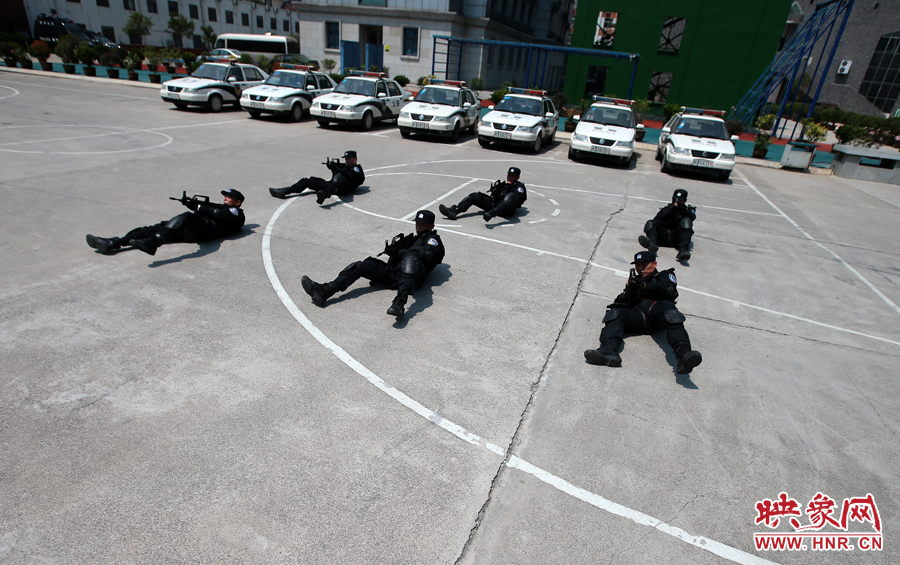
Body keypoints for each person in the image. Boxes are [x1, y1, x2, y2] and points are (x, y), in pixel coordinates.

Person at [300, 210, 445, 318]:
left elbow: (428, 254)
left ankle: (399, 303)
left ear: (431, 226)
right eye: (417, 224)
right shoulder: (413, 239)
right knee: (362, 265)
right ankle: (325, 291)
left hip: (411, 279)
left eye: (422, 225)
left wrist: (403, 252)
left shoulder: (432, 239)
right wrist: (394, 251)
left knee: (410, 260)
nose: (418, 227)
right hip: (393, 273)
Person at [583, 251, 702, 374]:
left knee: (672, 314)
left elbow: (668, 289)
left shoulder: (665, 275)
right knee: (615, 313)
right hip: (640, 317)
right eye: (638, 265)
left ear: (654, 264)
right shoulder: (635, 281)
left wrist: (644, 285)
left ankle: (683, 355)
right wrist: (628, 291)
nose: (641, 268)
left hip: (659, 314)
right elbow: (618, 303)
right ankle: (608, 350)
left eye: (644, 264)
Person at [85, 189, 246, 256]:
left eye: (229, 197)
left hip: (206, 231)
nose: (226, 198)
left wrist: (198, 207)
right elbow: (211, 210)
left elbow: (217, 214)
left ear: (238, 202)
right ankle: (114, 243)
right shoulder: (221, 207)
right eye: (225, 196)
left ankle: (153, 242)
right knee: (155, 228)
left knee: (186, 217)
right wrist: (192, 204)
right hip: (193, 231)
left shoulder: (237, 213)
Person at [268, 150, 365, 204]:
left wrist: (337, 169)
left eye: (349, 159)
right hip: (331, 186)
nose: (347, 161)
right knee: (308, 181)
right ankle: (284, 191)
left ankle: (324, 194)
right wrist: (332, 167)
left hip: (343, 190)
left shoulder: (357, 169)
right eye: (346, 159)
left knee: (339, 177)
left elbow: (351, 175)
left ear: (355, 160)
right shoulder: (344, 167)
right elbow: (338, 173)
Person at [439, 166, 527, 222]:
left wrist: (503, 195)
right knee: (474, 196)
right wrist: (495, 192)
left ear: (518, 177)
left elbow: (519, 198)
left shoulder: (519, 187)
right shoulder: (503, 185)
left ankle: (490, 214)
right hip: (494, 205)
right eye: (509, 175)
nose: (510, 177)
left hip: (506, 211)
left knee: (509, 197)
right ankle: (454, 211)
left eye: (512, 176)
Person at [639, 188, 696, 261]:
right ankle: (652, 243)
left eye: (680, 201)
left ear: (685, 201)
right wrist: (670, 210)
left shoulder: (687, 211)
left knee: (686, 221)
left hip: (676, 239)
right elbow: (656, 220)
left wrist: (682, 210)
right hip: (663, 237)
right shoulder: (668, 209)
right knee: (650, 223)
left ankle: (683, 250)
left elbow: (692, 217)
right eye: (675, 200)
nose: (676, 202)